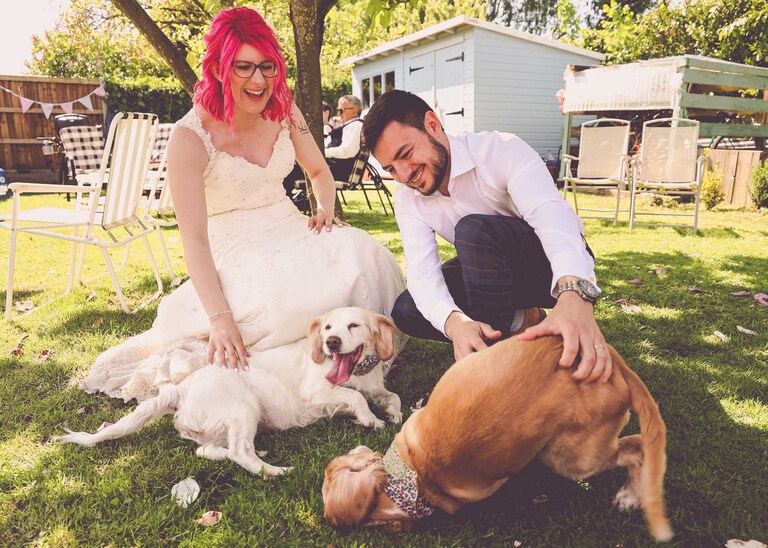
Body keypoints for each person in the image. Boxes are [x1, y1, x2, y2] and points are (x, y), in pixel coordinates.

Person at [81, 7, 405, 402]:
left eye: (268, 67)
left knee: (365, 254)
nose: (259, 80)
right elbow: (194, 242)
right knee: (280, 304)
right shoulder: (189, 138)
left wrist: (323, 209)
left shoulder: (286, 111)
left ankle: (361, 358)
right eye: (244, 68)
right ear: (218, 69)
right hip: (233, 245)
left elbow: (319, 173)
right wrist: (219, 320)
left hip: (288, 224)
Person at [362, 89, 612, 383]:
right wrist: (456, 324)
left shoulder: (500, 149)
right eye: (391, 168)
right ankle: (521, 324)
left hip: (546, 270)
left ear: (432, 124)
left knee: (473, 231)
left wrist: (574, 294)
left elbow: (551, 217)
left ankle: (494, 376)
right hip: (488, 277)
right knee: (407, 309)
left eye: (405, 154)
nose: (404, 175)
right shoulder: (407, 198)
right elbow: (421, 271)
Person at [325, 95, 363, 182]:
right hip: (331, 167)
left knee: (293, 169)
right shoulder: (350, 126)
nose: (339, 114)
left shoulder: (355, 125)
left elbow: (348, 151)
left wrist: (322, 152)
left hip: (338, 170)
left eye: (341, 110)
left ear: (354, 111)